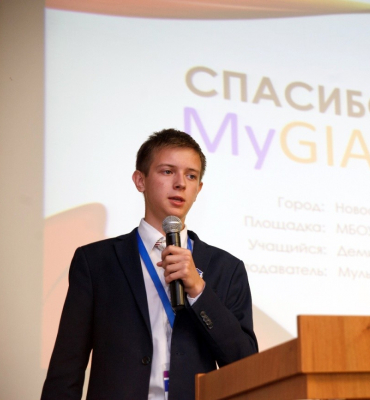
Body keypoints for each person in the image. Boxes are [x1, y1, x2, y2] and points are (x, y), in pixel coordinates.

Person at [41, 129, 258, 400]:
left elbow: (246, 364)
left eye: (191, 176)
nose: (180, 183)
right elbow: (66, 367)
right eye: (168, 171)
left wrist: (199, 291)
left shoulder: (227, 268)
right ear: (140, 180)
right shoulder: (96, 262)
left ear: (198, 190)